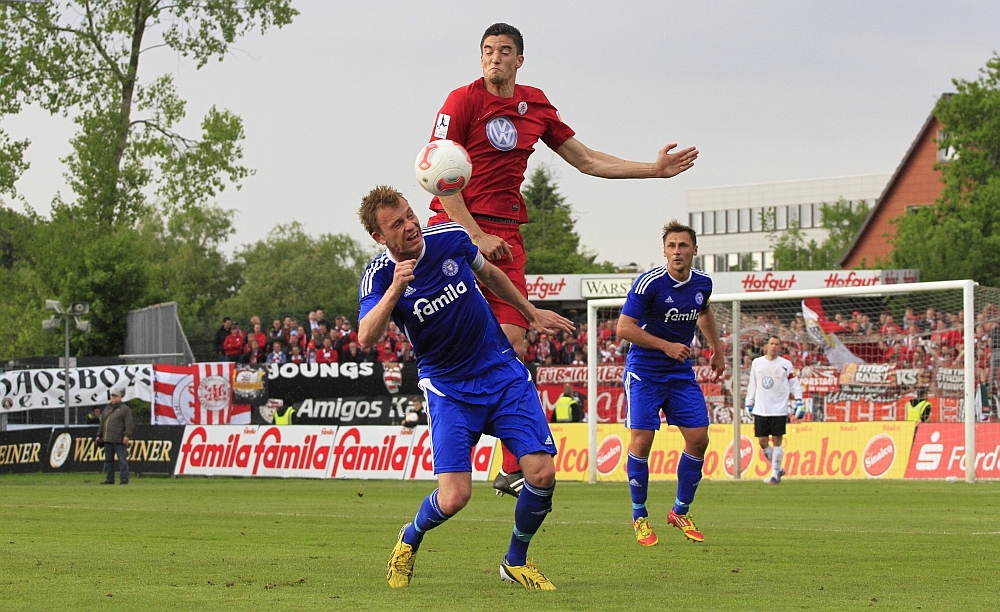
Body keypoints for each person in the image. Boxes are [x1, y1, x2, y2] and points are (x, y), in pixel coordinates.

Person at [427, 23, 699, 496]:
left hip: (505, 234)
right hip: (455, 230)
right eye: (487, 50)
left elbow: (586, 159)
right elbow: (438, 174)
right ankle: (454, 435)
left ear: (519, 60)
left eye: (504, 51)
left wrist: (653, 170)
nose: (494, 58)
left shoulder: (534, 105)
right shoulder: (461, 101)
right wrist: (474, 234)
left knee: (513, 343)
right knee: (455, 341)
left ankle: (512, 464)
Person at [357, 185, 573, 590]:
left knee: (542, 473)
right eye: (396, 224)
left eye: (409, 214)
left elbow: (489, 274)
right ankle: (411, 536)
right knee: (454, 497)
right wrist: (395, 290)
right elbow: (366, 336)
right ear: (379, 236)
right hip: (449, 389)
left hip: (501, 373)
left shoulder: (450, 237)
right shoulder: (380, 276)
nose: (410, 225)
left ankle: (515, 561)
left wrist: (528, 311)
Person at [615, 221, 725, 546]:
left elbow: (704, 312)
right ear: (664, 251)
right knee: (642, 442)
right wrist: (665, 346)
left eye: (683, 245)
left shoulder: (703, 283)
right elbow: (623, 328)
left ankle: (680, 511)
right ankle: (639, 516)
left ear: (694, 250)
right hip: (644, 371)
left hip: (679, 372)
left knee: (699, 439)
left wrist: (717, 349)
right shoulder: (649, 283)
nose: (677, 251)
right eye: (672, 246)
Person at [745, 336, 804, 485]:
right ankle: (778, 469)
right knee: (762, 441)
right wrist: (749, 402)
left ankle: (774, 475)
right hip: (761, 408)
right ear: (766, 346)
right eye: (771, 343)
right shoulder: (757, 363)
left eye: (777, 344)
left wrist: (799, 401)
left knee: (777, 441)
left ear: (780, 347)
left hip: (779, 409)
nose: (773, 346)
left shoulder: (785, 364)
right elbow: (753, 384)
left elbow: (794, 384)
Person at [96, 387, 134, 485]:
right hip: (107, 439)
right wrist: (99, 435)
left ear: (120, 397)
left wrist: (127, 435)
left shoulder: (125, 409)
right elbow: (102, 423)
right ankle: (110, 479)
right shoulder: (107, 408)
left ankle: (124, 479)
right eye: (112, 396)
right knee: (109, 460)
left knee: (122, 460)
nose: (113, 398)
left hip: (119, 439)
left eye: (116, 396)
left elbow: (129, 424)